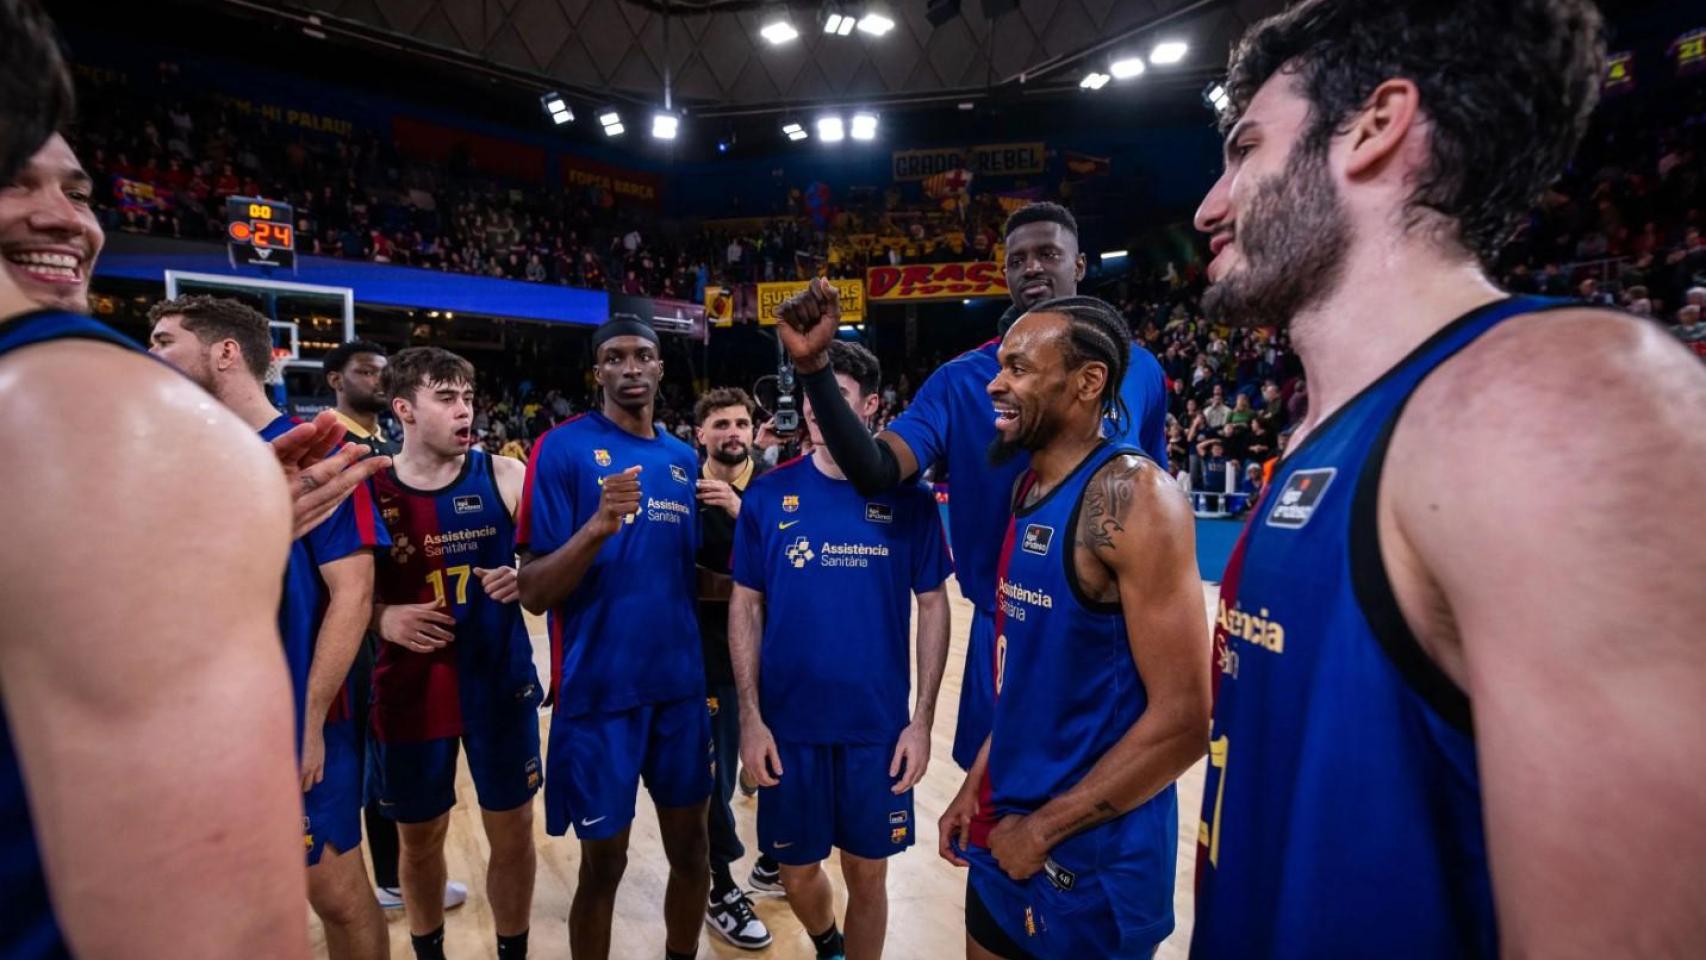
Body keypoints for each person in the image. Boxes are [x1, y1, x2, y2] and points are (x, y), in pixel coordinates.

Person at [1189, 1, 1706, 956]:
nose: (1208, 207)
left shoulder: (1555, 402)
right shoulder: (1333, 433)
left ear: (1375, 128)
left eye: (1244, 149)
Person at [773, 202, 1170, 782]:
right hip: (1002, 623)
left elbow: (1154, 501)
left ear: (1080, 265)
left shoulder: (1141, 371)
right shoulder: (964, 380)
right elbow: (877, 469)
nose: (1032, 267)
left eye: (1048, 254)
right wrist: (813, 371)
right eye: (1018, 260)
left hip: (1106, 632)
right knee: (992, 823)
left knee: (1103, 806)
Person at [937, 296, 1210, 959]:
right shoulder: (1026, 489)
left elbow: (1188, 719)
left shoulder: (1134, 499)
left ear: (1088, 382)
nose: (996, 384)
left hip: (1089, 855)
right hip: (1007, 821)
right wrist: (976, 780)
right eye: (999, 366)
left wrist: (1042, 832)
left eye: (1020, 369)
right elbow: (1029, 670)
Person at [147, 295, 391, 960]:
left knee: (335, 895)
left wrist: (308, 719)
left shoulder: (320, 452)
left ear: (227, 352)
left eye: (166, 340)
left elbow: (353, 593)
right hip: (195, 722)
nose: (151, 354)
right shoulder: (171, 458)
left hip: (297, 719)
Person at [732, 341, 953, 960]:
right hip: (788, 726)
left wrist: (922, 722)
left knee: (868, 874)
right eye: (811, 399)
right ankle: (828, 943)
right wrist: (750, 719)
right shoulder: (769, 496)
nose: (817, 411)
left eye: (837, 399)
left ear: (873, 406)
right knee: (798, 873)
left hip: (876, 731)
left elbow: (933, 605)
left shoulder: (909, 500)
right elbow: (745, 604)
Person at [516, 317, 711, 960]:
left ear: (661, 369)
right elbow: (535, 590)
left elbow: (686, 576)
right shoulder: (561, 449)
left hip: (681, 694)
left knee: (693, 854)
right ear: (596, 372)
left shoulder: (684, 460)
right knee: (605, 866)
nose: (631, 367)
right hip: (600, 696)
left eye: (644, 356)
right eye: (615, 357)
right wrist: (598, 526)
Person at [364, 347, 542, 960]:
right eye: (447, 397)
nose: (465, 409)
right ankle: (428, 950)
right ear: (404, 409)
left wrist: (528, 578)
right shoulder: (369, 487)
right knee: (419, 841)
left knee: (514, 834)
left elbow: (553, 571)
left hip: (499, 684)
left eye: (468, 396)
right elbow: (330, 592)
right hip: (411, 690)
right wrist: (382, 615)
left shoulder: (506, 476)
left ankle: (512, 952)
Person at [691, 386, 774, 951]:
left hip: (777, 655)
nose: (733, 433)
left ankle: (773, 862)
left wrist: (742, 513)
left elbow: (797, 564)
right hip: (708, 658)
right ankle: (720, 886)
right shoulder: (682, 487)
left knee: (781, 763)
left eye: (741, 423)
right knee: (712, 782)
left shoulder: (771, 487)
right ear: (700, 434)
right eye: (720, 424)